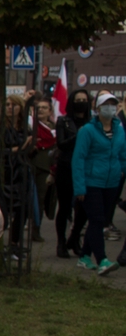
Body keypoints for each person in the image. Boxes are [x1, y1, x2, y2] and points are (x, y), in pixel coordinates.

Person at [72, 93, 126, 275]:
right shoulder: (88, 130)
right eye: (106, 104)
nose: (110, 108)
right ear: (98, 108)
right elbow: (78, 159)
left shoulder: (119, 130)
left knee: (99, 220)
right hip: (92, 181)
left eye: (113, 104)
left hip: (111, 182)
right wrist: (79, 187)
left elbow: (122, 155)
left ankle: (84, 256)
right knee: (96, 220)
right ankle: (102, 259)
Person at [55, 88, 92, 258]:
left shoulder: (92, 123)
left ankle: (74, 238)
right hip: (66, 167)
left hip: (86, 169)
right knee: (64, 208)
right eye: (78, 100)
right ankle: (61, 242)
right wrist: (80, 135)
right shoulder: (63, 121)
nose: (81, 103)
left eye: (84, 100)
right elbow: (61, 144)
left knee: (84, 207)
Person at [2, 95, 34, 255]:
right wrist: (19, 149)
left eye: (13, 105)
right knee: (3, 210)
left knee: (23, 209)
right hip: (5, 171)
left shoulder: (25, 128)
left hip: (21, 171)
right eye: (7, 104)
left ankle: (14, 243)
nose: (10, 107)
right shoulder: (0, 127)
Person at [28, 99, 57, 242]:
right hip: (32, 164)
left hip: (46, 167)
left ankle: (36, 229)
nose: (41, 110)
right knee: (29, 198)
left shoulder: (54, 128)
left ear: (50, 111)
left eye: (44, 108)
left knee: (41, 199)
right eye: (38, 107)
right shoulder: (30, 126)